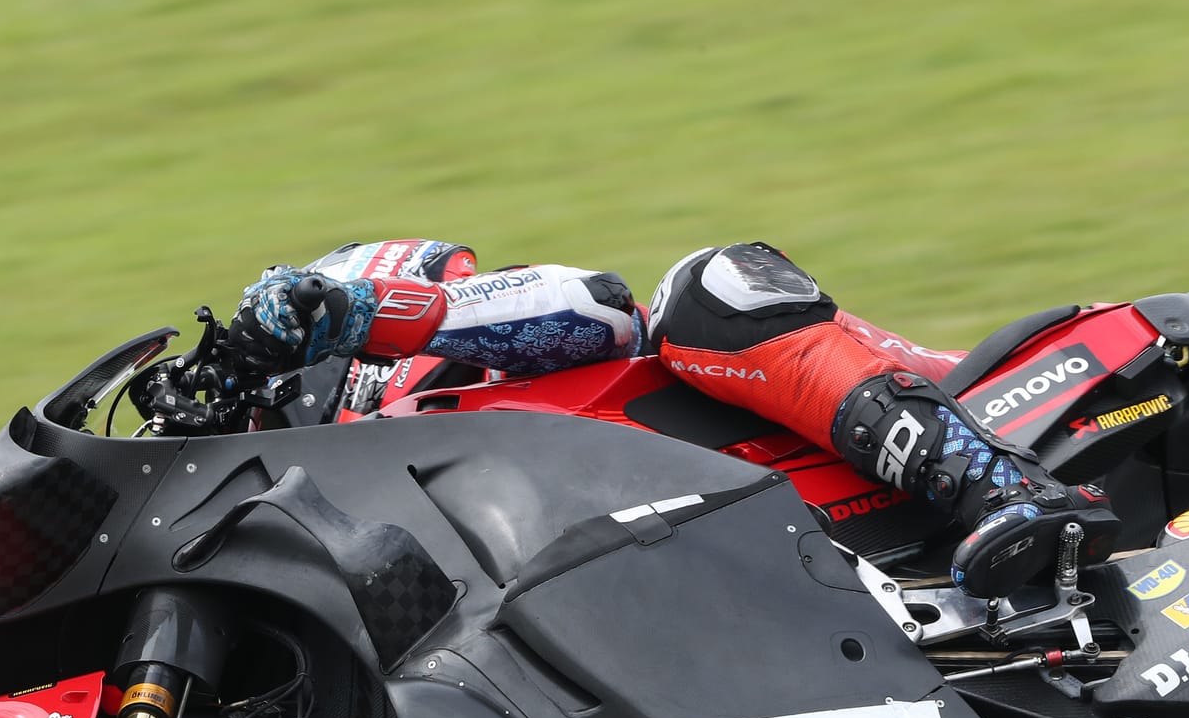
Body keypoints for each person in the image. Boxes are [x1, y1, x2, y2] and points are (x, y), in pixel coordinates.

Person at [226, 239, 1116, 597]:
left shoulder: (457, 359)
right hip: (732, 581)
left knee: (705, 287)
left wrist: (358, 310)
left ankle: (1005, 486)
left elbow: (602, 306)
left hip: (970, 402)